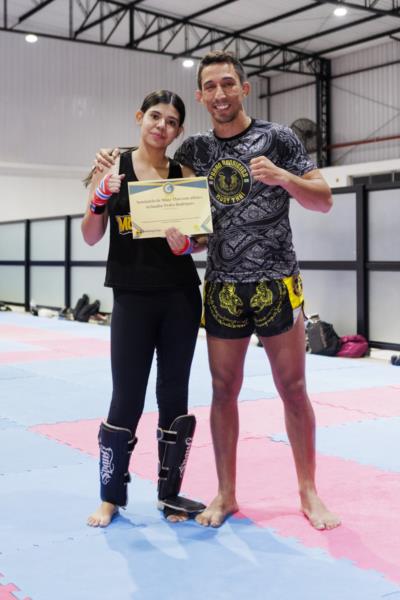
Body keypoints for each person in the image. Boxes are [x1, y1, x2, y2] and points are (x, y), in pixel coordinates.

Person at [94, 52, 341, 531]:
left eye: (228, 83)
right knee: (223, 391)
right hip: (222, 285)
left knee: (293, 388)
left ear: (244, 88)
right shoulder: (195, 151)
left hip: (276, 281)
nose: (220, 93)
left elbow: (324, 200)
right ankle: (226, 494)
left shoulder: (279, 138)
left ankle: (309, 492)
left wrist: (284, 177)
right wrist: (110, 158)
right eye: (210, 86)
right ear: (201, 95)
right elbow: (158, 164)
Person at [82, 90, 206, 527]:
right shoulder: (109, 166)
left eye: (171, 122)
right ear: (140, 117)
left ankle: (169, 496)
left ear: (179, 131)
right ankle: (110, 497)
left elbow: (201, 239)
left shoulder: (183, 172)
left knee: (174, 394)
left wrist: (187, 244)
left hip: (180, 296)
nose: (161, 126)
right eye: (155, 116)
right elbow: (91, 236)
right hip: (131, 297)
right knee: (127, 394)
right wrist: (98, 197)